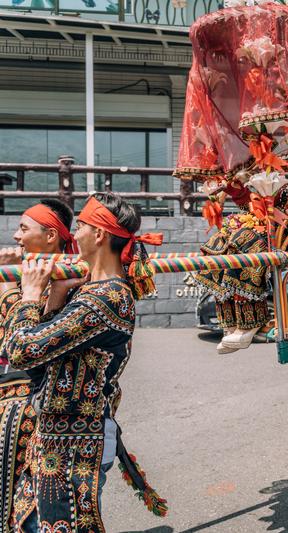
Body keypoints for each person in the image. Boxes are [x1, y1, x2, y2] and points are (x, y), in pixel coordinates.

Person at [0, 193, 167, 531]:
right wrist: (58, 295)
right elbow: (39, 365)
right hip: (55, 440)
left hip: (77, 446)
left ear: (100, 235)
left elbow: (21, 351)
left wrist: (29, 295)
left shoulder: (106, 299)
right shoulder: (86, 292)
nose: (74, 235)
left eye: (81, 227)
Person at [0, 199, 76, 532]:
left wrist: (7, 287)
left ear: (50, 236)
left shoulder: (70, 278)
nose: (16, 236)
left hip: (33, 405)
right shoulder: (27, 272)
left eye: (23, 228)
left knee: (27, 504)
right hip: (10, 398)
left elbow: (20, 341)